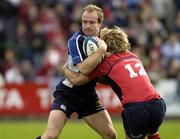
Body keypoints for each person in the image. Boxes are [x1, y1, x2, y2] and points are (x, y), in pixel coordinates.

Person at [63, 26, 166, 139]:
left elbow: (77, 80)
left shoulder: (106, 63)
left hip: (136, 109)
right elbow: (120, 79)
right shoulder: (133, 56)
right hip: (158, 104)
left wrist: (65, 69)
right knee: (153, 134)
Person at [36, 4, 117, 139]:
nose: (87, 26)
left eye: (91, 22)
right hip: (67, 93)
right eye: (84, 21)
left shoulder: (105, 38)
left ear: (100, 24)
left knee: (111, 135)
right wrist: (101, 50)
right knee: (50, 136)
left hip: (88, 95)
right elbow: (84, 69)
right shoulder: (75, 40)